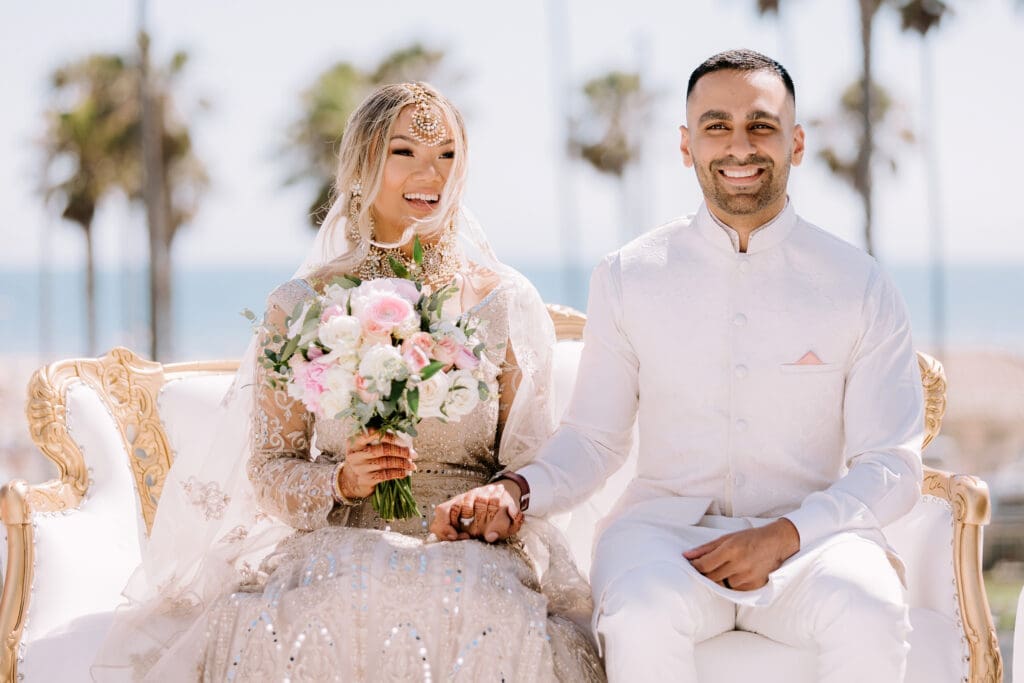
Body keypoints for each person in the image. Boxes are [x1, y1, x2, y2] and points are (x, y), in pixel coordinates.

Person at [432, 49, 925, 682]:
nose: (739, 145)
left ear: (796, 143)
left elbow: (891, 464)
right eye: (717, 126)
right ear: (686, 145)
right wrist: (517, 489)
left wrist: (785, 535)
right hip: (662, 543)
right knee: (642, 612)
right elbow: (593, 439)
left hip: (812, 543)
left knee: (870, 608)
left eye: (762, 125)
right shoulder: (629, 275)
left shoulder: (859, 283)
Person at [92, 82, 603, 681]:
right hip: (336, 544)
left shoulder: (503, 302)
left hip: (467, 549)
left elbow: (530, 466)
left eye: (447, 155)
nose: (431, 174)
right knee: (311, 615)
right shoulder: (300, 306)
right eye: (405, 152)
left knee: (475, 610)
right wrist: (341, 480)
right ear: (362, 165)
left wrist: (490, 508)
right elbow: (271, 471)